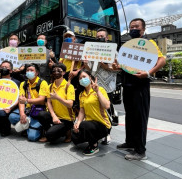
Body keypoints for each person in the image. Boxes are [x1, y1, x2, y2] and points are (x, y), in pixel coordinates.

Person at [114, 18, 166, 160]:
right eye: (131, 27)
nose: (133, 29)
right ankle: (130, 142)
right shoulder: (129, 45)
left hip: (140, 87)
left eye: (136, 26)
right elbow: (124, 66)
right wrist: (117, 67)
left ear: (143, 29)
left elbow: (162, 60)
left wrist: (148, 73)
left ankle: (140, 150)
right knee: (130, 116)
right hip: (127, 86)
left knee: (139, 118)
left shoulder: (149, 44)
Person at [83, 28, 118, 145]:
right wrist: (85, 63)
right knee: (96, 110)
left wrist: (105, 65)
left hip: (108, 86)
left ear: (107, 38)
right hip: (94, 86)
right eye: (97, 37)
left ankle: (107, 133)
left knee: (106, 111)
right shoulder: (92, 50)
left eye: (101, 36)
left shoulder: (114, 51)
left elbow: (117, 68)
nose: (99, 38)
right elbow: (90, 69)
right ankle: (97, 132)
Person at [71, 70, 111, 155]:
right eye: (80, 78)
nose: (82, 79)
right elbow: (82, 111)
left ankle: (94, 145)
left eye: (84, 77)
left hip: (103, 124)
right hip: (90, 124)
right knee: (74, 136)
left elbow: (107, 106)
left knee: (84, 125)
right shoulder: (81, 94)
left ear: (90, 77)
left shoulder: (100, 89)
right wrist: (77, 123)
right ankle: (94, 137)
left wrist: (97, 92)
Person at [8, 63, 49, 141]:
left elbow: (41, 99)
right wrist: (22, 114)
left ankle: (34, 127)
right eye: (27, 70)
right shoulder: (23, 84)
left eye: (31, 70)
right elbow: (21, 100)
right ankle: (28, 126)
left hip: (38, 111)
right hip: (28, 111)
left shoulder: (43, 83)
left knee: (32, 137)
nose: (29, 72)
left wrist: (27, 101)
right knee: (12, 117)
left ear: (37, 73)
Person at [37, 63, 75, 143]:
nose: (56, 72)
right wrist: (54, 116)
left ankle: (67, 131)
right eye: (54, 71)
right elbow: (49, 102)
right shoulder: (50, 86)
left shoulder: (69, 86)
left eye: (59, 70)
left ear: (64, 72)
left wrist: (58, 98)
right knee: (41, 114)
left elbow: (70, 104)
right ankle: (51, 130)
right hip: (55, 116)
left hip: (66, 118)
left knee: (51, 136)